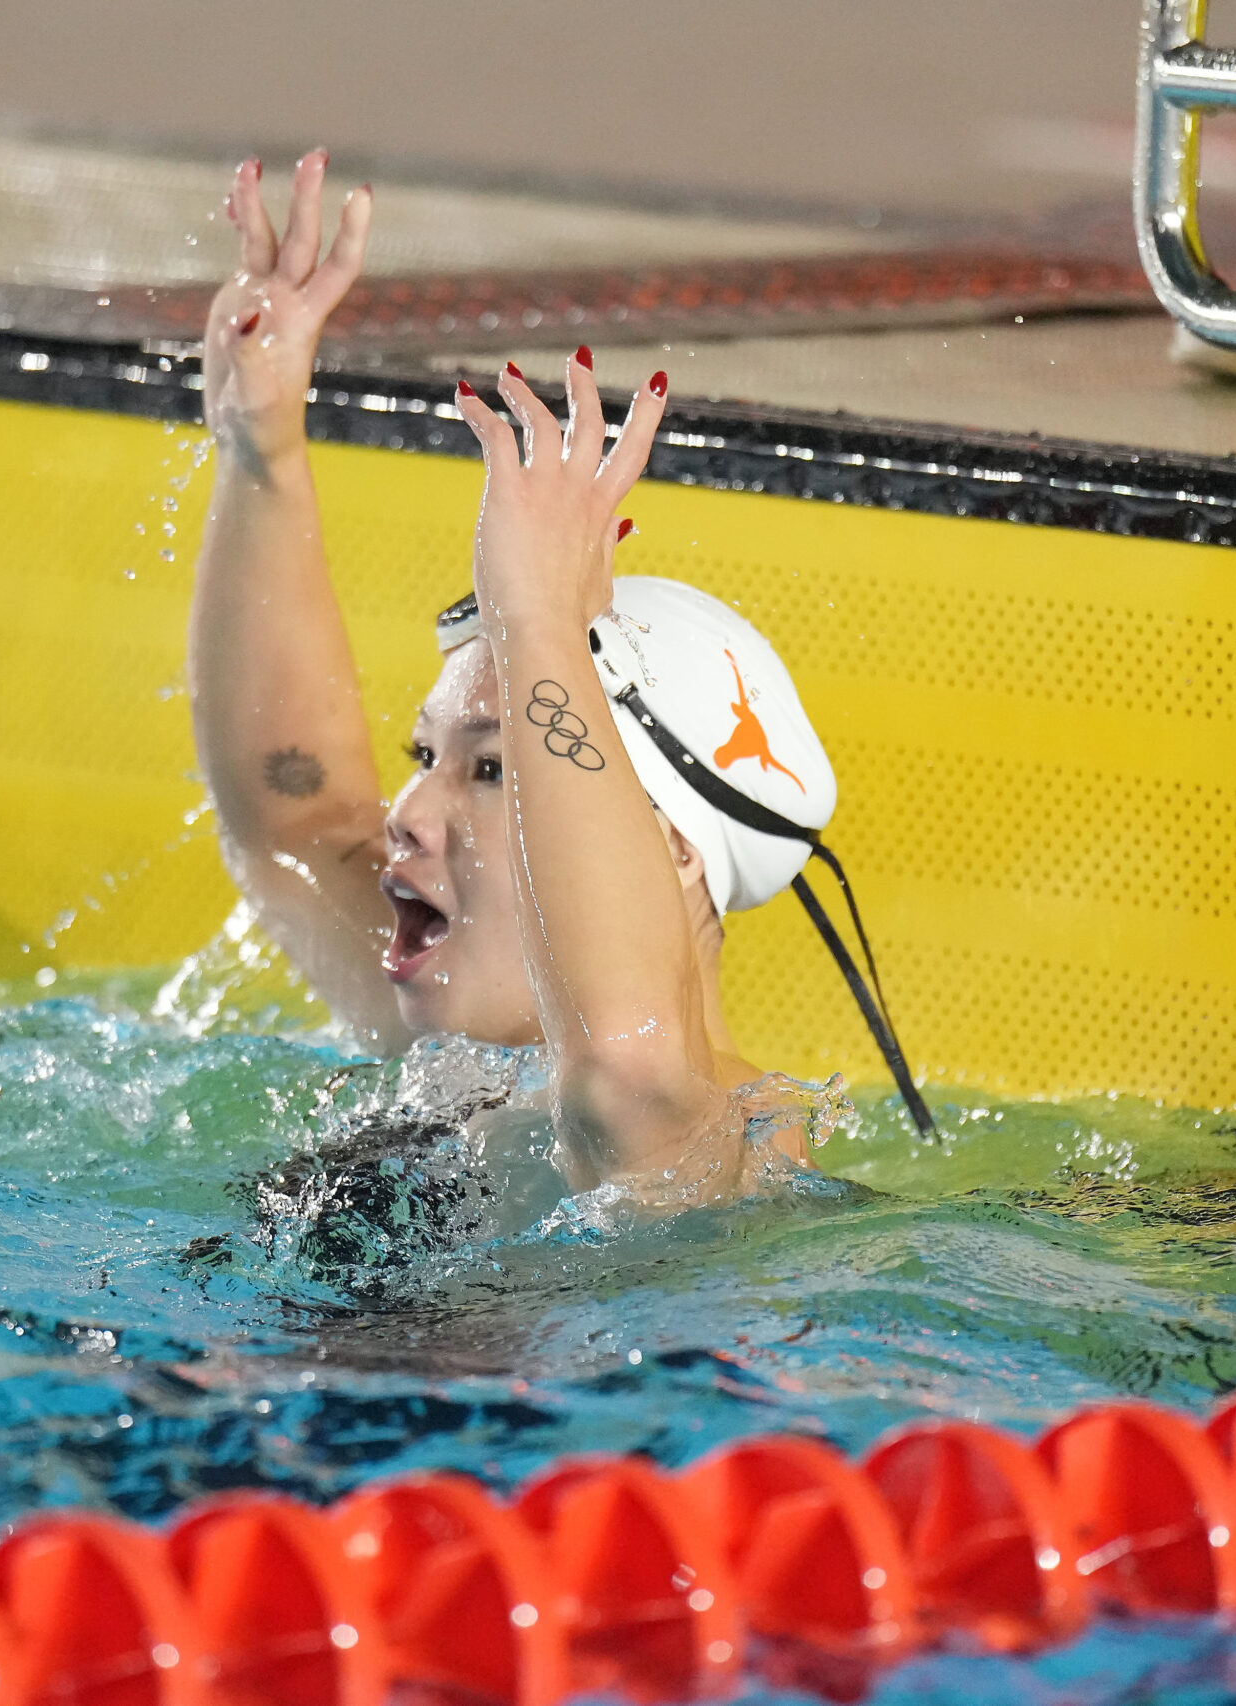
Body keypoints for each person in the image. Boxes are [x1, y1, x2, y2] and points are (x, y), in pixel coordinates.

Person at [188, 150, 924, 1212]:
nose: (404, 812)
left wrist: (537, 619)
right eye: (423, 758)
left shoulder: (713, 1137)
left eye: (491, 769)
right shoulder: (466, 1028)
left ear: (665, 846)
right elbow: (289, 816)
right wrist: (260, 447)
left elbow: (626, 1067)